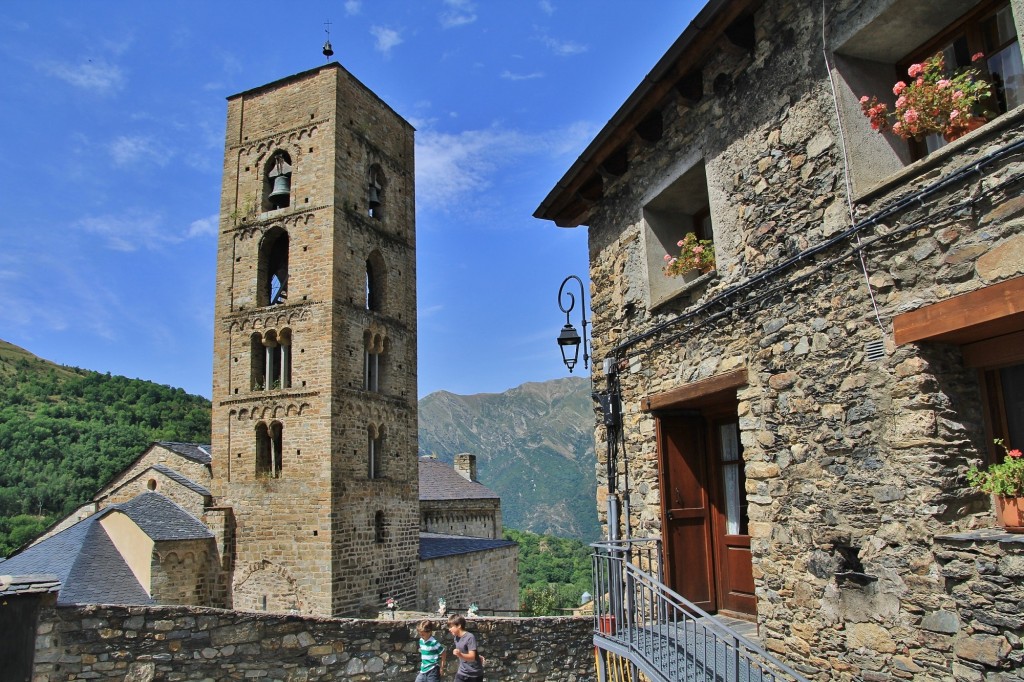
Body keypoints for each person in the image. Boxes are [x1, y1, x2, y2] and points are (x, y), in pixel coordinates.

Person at [447, 614, 484, 682]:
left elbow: (472, 657)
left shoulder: (470, 637)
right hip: (462, 672)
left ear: (459, 626)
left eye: (451, 627)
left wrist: (460, 654)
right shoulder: (456, 638)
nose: (449, 629)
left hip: (474, 674)